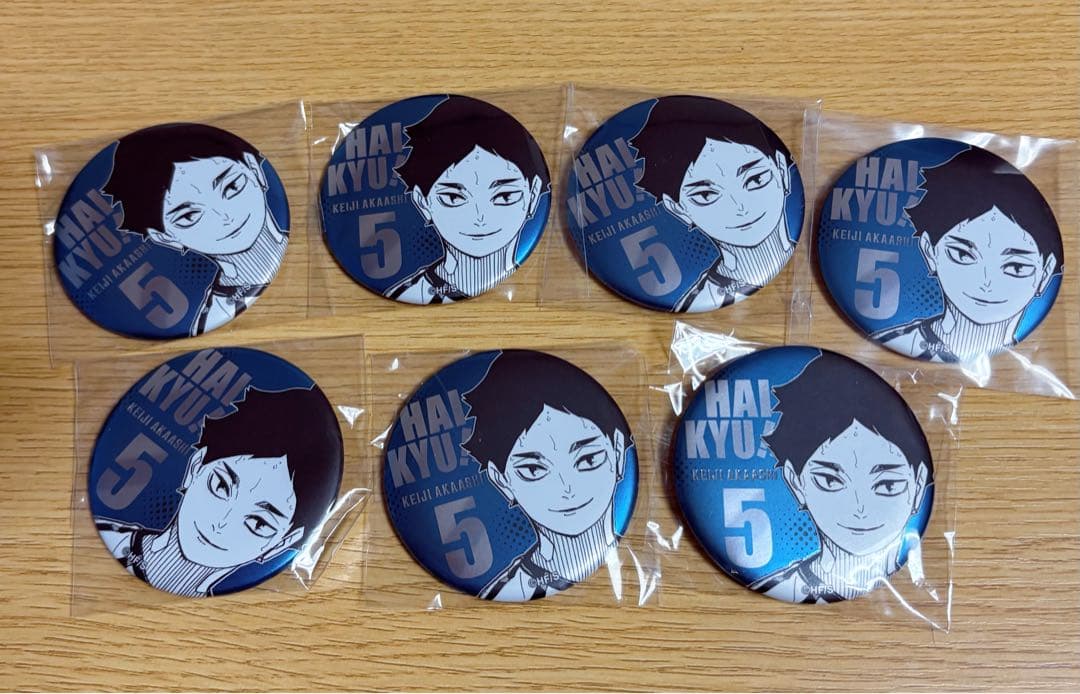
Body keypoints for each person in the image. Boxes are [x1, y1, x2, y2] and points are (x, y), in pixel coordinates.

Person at [96, 387, 340, 597]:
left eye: (258, 523)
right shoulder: (106, 537)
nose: (220, 524)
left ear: (282, 544)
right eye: (221, 486)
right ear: (195, 467)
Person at [752, 352, 932, 603]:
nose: (860, 509)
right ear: (795, 482)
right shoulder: (780, 584)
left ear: (919, 484)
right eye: (830, 481)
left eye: (888, 484)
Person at [460, 351, 630, 601]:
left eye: (588, 460)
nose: (567, 488)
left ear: (618, 451)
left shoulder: (635, 571)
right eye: (534, 470)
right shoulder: (506, 589)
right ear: (502, 481)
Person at [873, 146, 1062, 362]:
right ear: (929, 251)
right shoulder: (895, 340)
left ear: (1045, 273)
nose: (986, 283)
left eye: (1016, 267)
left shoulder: (1039, 354)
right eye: (963, 255)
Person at [102, 124, 288, 335]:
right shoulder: (214, 312)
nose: (225, 217)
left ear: (254, 169)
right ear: (165, 237)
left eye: (232, 186)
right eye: (189, 216)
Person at [629, 96, 796, 312]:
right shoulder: (698, 300)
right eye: (707, 195)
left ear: (781, 170)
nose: (740, 207)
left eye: (755, 180)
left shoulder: (808, 267)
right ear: (678, 209)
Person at [386, 96, 548, 304]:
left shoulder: (538, 283)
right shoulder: (407, 293)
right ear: (422, 202)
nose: (480, 218)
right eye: (453, 198)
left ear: (533, 195)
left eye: (504, 196)